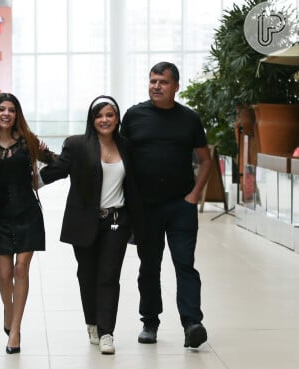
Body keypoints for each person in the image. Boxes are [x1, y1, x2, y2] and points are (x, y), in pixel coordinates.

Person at [39, 95, 144, 355]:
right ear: (92, 119)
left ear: (117, 118)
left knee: (109, 277)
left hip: (116, 222)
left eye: (110, 114)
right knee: (87, 276)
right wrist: (29, 174)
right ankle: (93, 324)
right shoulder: (77, 145)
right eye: (99, 115)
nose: (105, 120)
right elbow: (58, 170)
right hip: (84, 222)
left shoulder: (127, 146)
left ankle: (107, 331)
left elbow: (135, 185)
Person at [120, 61, 211, 348]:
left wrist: (195, 194)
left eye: (163, 82)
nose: (156, 86)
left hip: (180, 206)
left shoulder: (189, 119)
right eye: (153, 81)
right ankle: (150, 321)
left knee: (185, 264)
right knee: (149, 266)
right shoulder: (134, 116)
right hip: (146, 207)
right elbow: (120, 158)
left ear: (176, 86)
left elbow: (205, 160)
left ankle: (192, 323)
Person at [0, 92, 55, 354]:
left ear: (16, 114)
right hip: (0, 216)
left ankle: (15, 330)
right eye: (1, 109)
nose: (6, 114)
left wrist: (42, 176)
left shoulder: (27, 142)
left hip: (28, 213)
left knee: (21, 270)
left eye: (11, 110)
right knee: (4, 275)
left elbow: (56, 162)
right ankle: (8, 311)